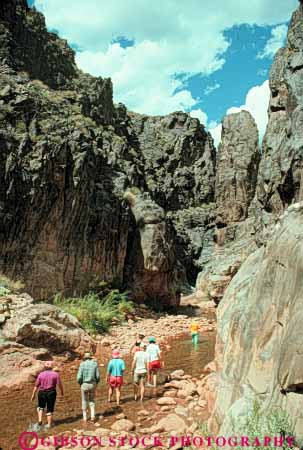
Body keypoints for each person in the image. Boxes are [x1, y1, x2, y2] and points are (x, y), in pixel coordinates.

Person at [31, 361, 64, 429]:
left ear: (44, 367)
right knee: (50, 408)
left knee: (40, 406)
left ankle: (40, 420)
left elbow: (36, 386)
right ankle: (49, 425)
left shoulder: (41, 374)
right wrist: (62, 391)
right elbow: (59, 384)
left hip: (42, 392)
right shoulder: (55, 374)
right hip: (51, 393)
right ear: (51, 367)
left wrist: (33, 394)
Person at [77, 352, 100, 423]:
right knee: (92, 400)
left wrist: (80, 383)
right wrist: (96, 383)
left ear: (84, 357)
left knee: (84, 400)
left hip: (84, 384)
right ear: (90, 357)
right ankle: (93, 416)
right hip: (92, 384)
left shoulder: (82, 364)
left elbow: (79, 377)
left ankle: (85, 418)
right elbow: (98, 376)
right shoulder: (94, 364)